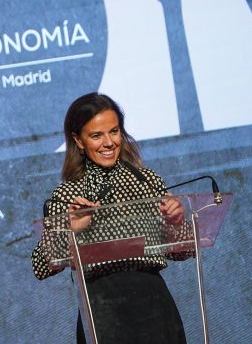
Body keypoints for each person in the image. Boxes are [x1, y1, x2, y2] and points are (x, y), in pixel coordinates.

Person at [32, 92, 189, 343]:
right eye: (96, 135)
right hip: (101, 311)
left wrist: (176, 221)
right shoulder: (67, 195)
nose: (108, 143)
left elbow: (183, 251)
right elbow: (41, 267)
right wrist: (70, 230)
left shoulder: (147, 181)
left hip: (155, 306)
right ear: (78, 140)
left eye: (114, 132)